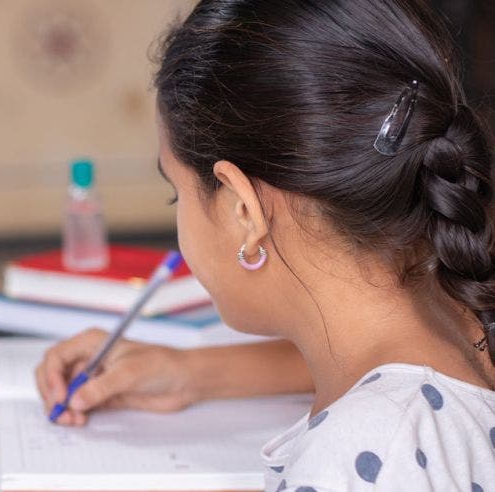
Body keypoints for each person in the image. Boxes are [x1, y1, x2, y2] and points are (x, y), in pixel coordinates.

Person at [35, 0, 495, 489]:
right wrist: (191, 372)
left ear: (243, 210)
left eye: (177, 192)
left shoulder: (361, 457)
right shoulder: (463, 305)